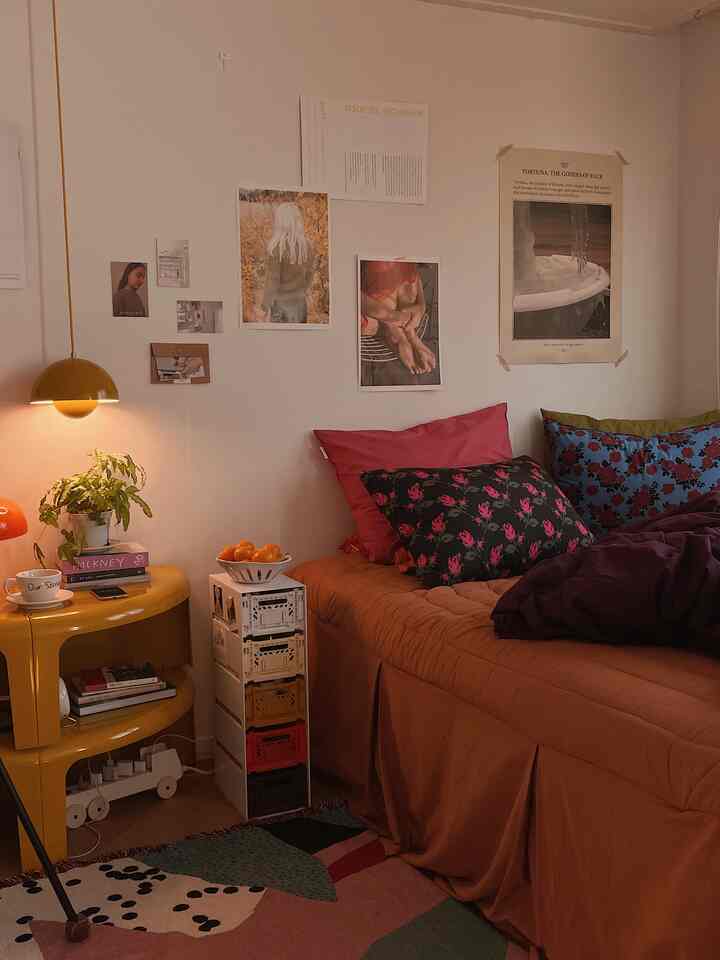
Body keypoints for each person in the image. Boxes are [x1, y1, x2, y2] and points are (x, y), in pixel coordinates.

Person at [360, 260, 436, 375]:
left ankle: (403, 332)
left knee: (397, 265)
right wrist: (392, 316)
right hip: (370, 307)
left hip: (391, 308)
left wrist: (421, 305)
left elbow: (408, 266)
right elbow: (346, 290)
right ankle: (399, 333)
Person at [256, 203, 315, 324]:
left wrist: (264, 307)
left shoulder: (276, 247)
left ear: (280, 222)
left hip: (280, 306)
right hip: (300, 305)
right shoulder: (307, 246)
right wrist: (303, 291)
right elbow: (310, 274)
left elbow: (272, 280)